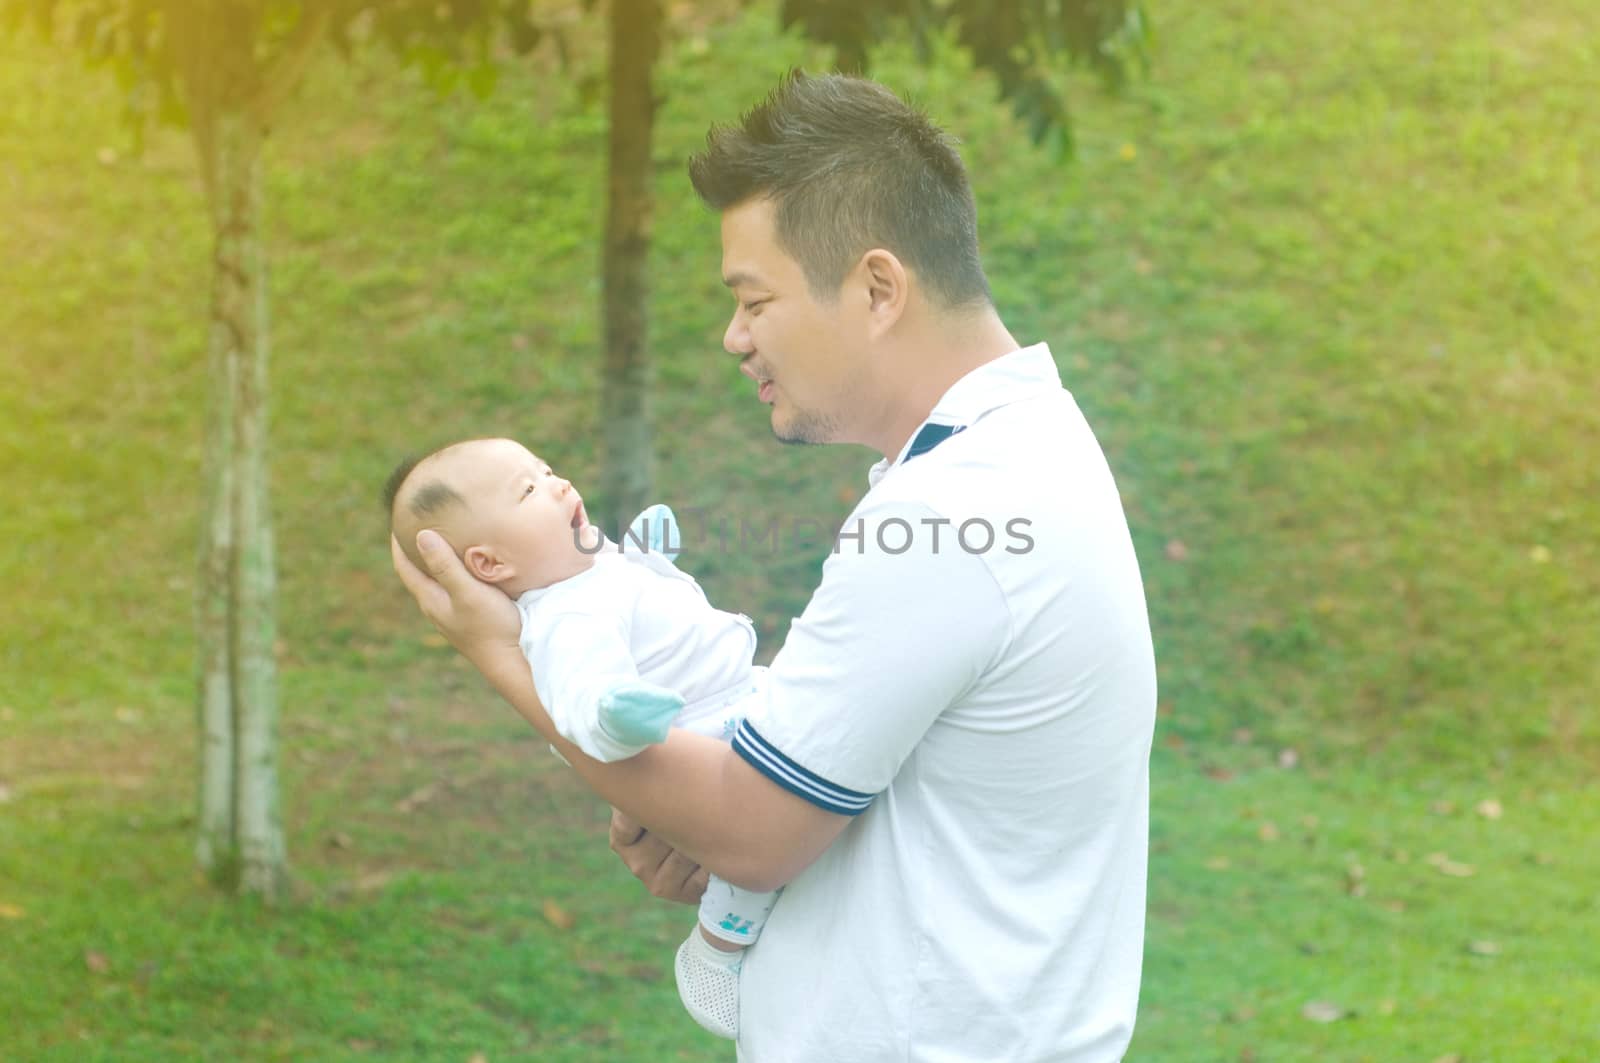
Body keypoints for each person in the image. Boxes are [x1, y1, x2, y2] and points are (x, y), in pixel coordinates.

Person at [392, 72, 1157, 1061]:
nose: (734, 336)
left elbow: (755, 829)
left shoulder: (951, 511)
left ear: (878, 289)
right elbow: (814, 789)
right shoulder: (1017, 445)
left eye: (755, 300)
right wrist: (688, 813)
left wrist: (502, 651)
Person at [385, 437, 779, 1039]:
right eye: (529, 489)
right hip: (710, 734)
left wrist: (651, 554)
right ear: (490, 565)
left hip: (748, 699)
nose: (561, 484)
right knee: (760, 860)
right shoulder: (566, 618)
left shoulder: (599, 569)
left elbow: (648, 601)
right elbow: (580, 697)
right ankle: (718, 949)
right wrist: (616, 715)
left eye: (547, 470)